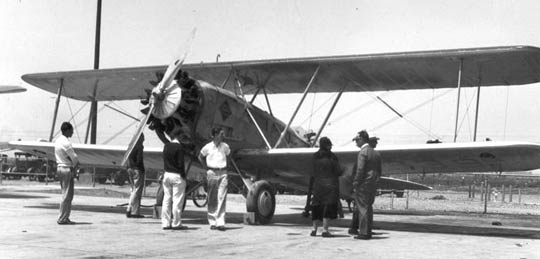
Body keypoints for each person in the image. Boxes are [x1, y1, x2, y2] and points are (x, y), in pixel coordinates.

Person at [198, 127, 230, 231]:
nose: (223, 136)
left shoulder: (225, 146)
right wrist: (206, 169)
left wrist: (225, 168)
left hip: (223, 172)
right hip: (212, 172)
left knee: (222, 197)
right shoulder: (207, 147)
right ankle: (212, 221)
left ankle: (220, 222)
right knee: (212, 197)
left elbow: (229, 155)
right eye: (221, 134)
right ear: (215, 135)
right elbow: (200, 157)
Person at [352, 130, 382, 240]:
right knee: (369, 207)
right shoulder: (376, 153)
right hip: (372, 184)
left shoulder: (363, 152)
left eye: (357, 140)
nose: (356, 143)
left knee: (362, 208)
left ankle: (363, 233)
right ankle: (368, 231)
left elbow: (360, 170)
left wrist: (355, 183)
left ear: (362, 139)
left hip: (363, 184)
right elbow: (379, 171)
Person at [310, 137, 342, 238]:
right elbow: (338, 171)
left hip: (318, 184)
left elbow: (313, 170)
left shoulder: (315, 156)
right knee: (327, 207)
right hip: (330, 185)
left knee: (316, 206)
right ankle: (325, 230)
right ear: (327, 145)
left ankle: (314, 229)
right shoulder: (332, 157)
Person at [161, 132, 188, 230]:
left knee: (166, 200)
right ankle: (176, 223)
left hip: (167, 174)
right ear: (179, 136)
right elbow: (181, 164)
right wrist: (184, 176)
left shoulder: (166, 146)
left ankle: (165, 223)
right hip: (177, 175)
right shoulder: (179, 148)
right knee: (177, 201)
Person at [54, 122, 79, 225]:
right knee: (67, 195)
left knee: (65, 193)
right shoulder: (66, 143)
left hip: (60, 167)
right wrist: (76, 166)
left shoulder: (58, 141)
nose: (72, 132)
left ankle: (64, 217)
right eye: (71, 130)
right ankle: (63, 218)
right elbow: (75, 158)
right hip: (66, 168)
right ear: (67, 130)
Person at [126, 134, 145, 218]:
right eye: (143, 137)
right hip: (137, 169)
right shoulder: (139, 146)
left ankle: (129, 208)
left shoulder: (131, 145)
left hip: (130, 168)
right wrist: (139, 168)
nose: (144, 139)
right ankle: (135, 212)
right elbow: (139, 159)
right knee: (137, 191)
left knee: (133, 190)